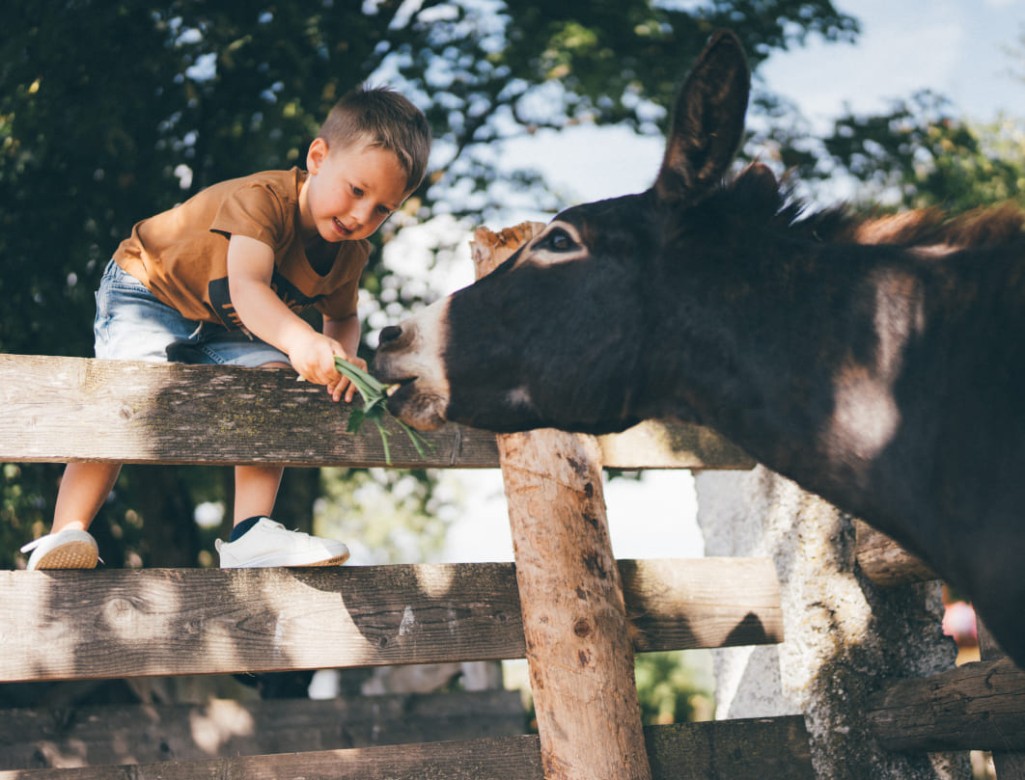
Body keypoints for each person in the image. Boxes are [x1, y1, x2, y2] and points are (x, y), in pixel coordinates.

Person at [20, 86, 432, 571]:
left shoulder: (350, 253)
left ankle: (249, 533)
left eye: (382, 208)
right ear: (318, 158)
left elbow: (341, 316)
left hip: (221, 322)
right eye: (357, 190)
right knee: (129, 389)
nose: (363, 215)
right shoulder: (263, 201)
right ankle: (66, 532)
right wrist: (302, 339)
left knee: (275, 380)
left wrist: (337, 361)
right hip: (150, 288)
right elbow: (249, 289)